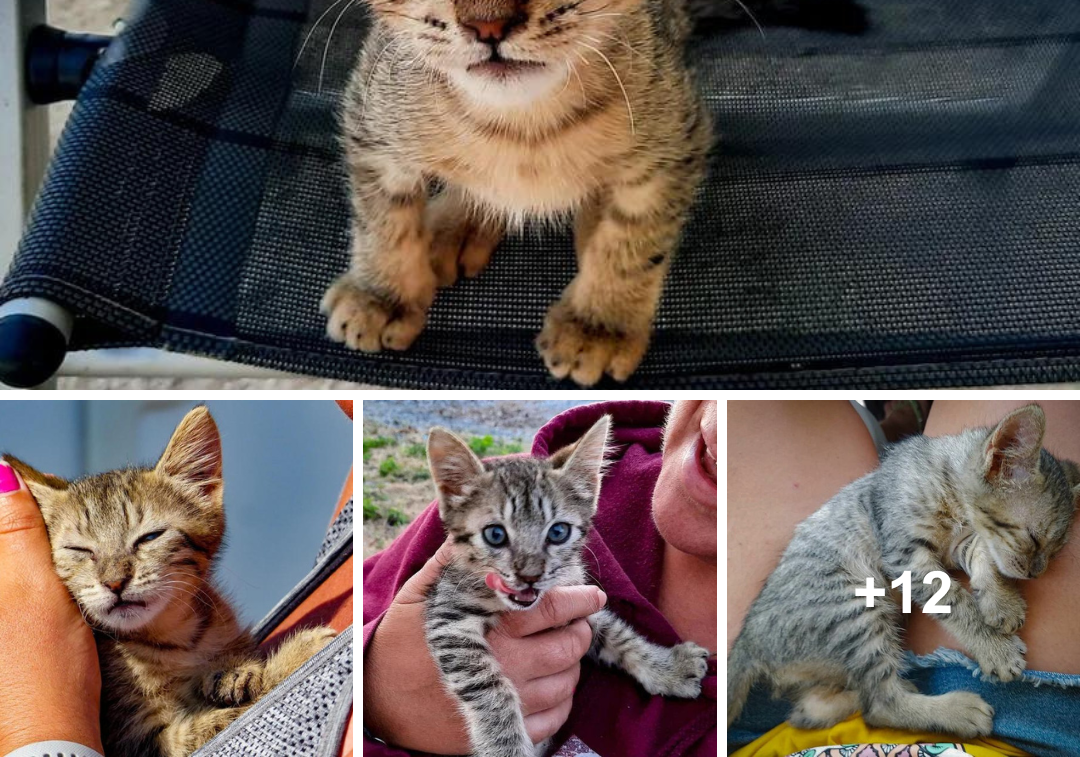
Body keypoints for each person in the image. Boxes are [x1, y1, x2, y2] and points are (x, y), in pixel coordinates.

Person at [362, 399, 718, 757]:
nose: (531, 570)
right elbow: (446, 633)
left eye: (557, 533)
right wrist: (375, 690)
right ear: (453, 496)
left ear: (588, 491)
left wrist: (655, 665)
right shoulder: (459, 575)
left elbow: (595, 627)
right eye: (497, 537)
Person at [0, 399, 354, 757]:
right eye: (79, 551)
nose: (113, 578)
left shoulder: (218, 622)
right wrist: (280, 683)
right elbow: (149, 749)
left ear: (203, 492)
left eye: (149, 537)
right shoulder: (97, 659)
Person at [728, 399, 1080, 757]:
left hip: (772, 728)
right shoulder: (916, 476)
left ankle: (828, 696)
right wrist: (980, 634)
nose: (1038, 570)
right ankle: (888, 703)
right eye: (1033, 542)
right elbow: (909, 563)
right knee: (868, 599)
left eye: (1049, 554)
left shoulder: (967, 495)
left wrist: (990, 581)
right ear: (998, 463)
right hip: (827, 582)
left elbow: (963, 543)